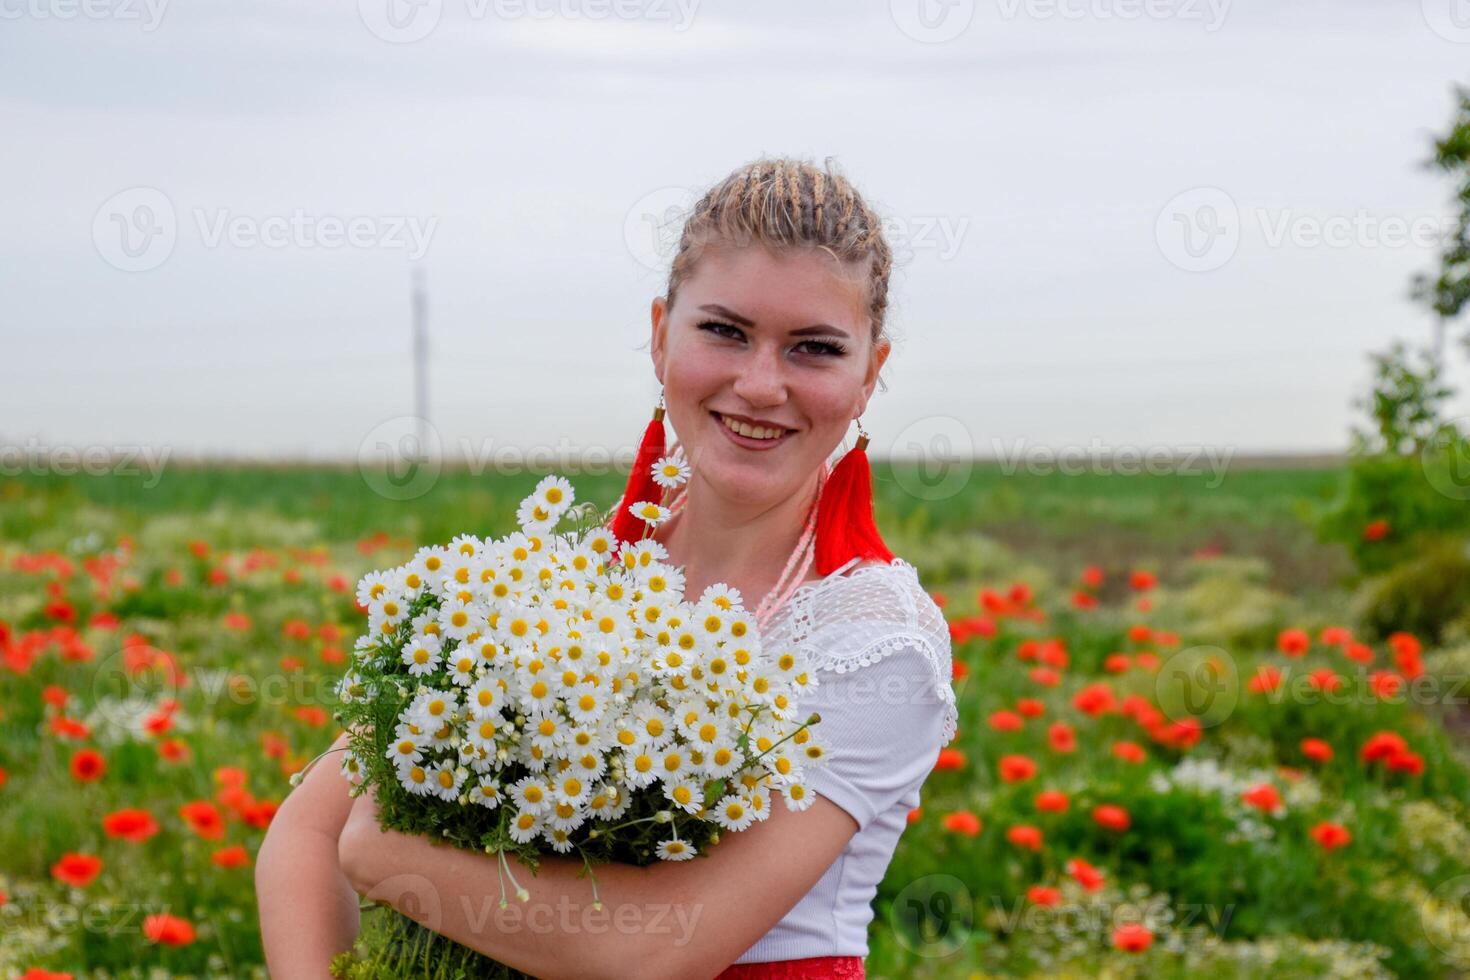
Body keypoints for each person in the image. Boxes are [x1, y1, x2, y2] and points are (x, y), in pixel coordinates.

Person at [256, 156, 956, 980]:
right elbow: (303, 836)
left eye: (815, 349)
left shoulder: (875, 640)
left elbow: (652, 948)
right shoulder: (555, 591)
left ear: (870, 374)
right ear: (661, 335)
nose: (762, 384)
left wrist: (379, 853)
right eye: (724, 331)